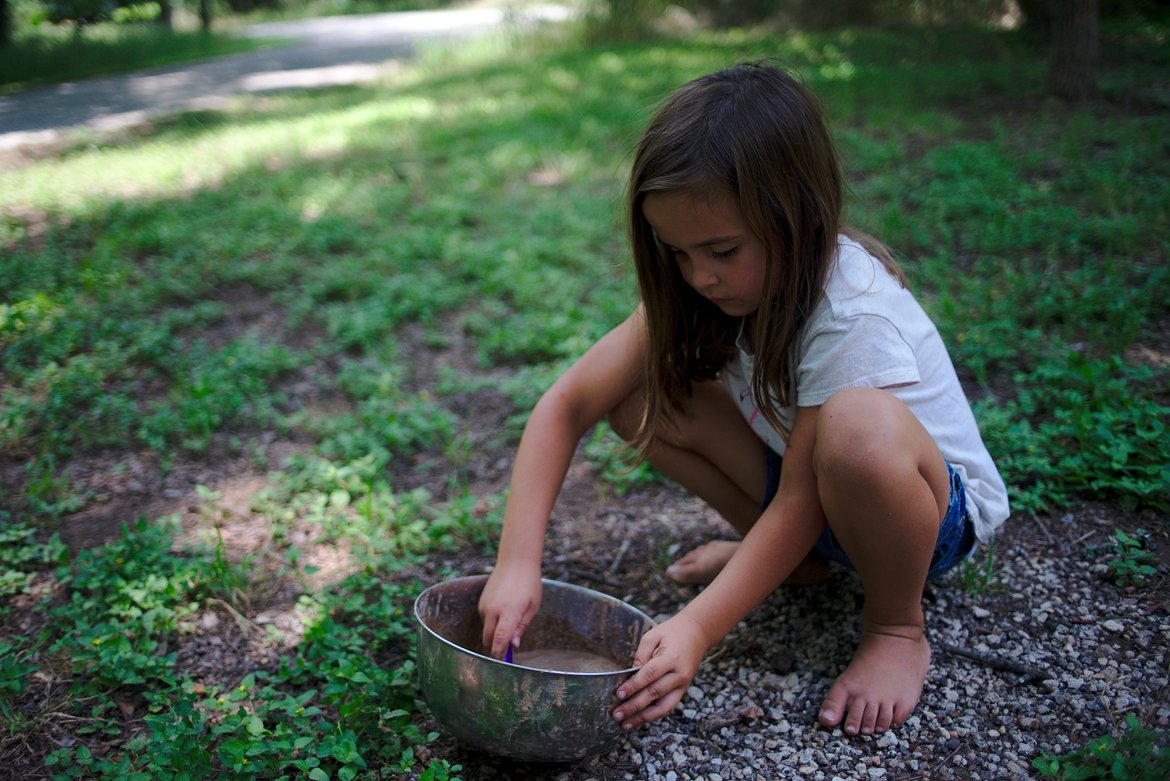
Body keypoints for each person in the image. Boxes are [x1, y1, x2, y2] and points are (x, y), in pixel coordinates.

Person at [477, 61, 1009, 738]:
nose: (700, 276)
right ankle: (802, 565)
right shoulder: (708, 287)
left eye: (722, 250)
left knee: (857, 428)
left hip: (927, 518)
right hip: (817, 495)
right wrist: (518, 562)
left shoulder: (852, 313)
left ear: (797, 215)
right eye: (677, 252)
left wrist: (698, 625)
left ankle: (896, 625)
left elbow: (802, 495)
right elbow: (567, 404)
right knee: (642, 398)